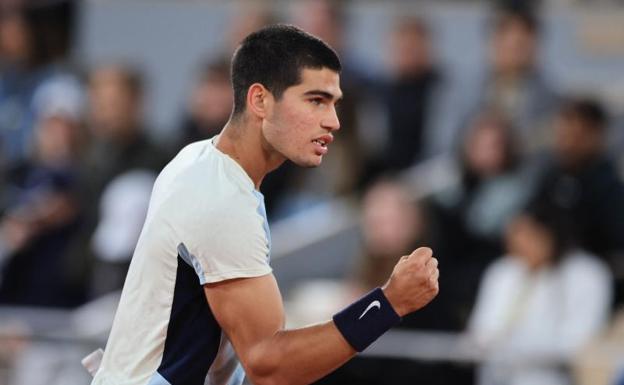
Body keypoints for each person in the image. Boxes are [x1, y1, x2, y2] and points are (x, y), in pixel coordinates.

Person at [89, 24, 440, 385]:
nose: (333, 121)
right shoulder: (219, 199)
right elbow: (269, 364)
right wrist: (388, 303)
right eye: (315, 100)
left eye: (334, 103)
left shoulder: (200, 162)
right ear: (260, 101)